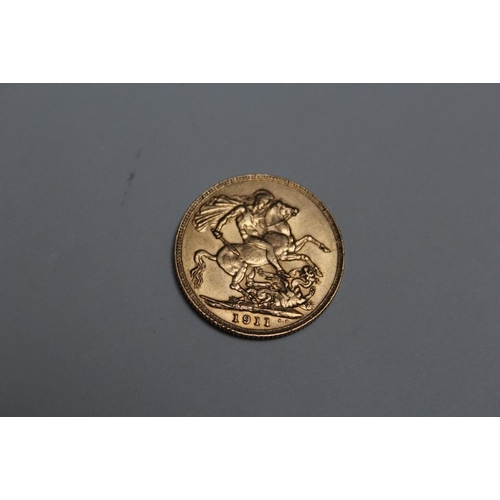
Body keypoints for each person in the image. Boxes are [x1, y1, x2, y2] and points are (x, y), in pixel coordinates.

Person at [211, 190, 287, 276]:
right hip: (249, 238)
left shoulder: (257, 214)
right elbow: (227, 217)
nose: (263, 206)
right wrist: (218, 228)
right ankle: (279, 269)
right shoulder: (242, 210)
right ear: (258, 201)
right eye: (263, 203)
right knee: (269, 247)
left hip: (258, 237)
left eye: (265, 204)